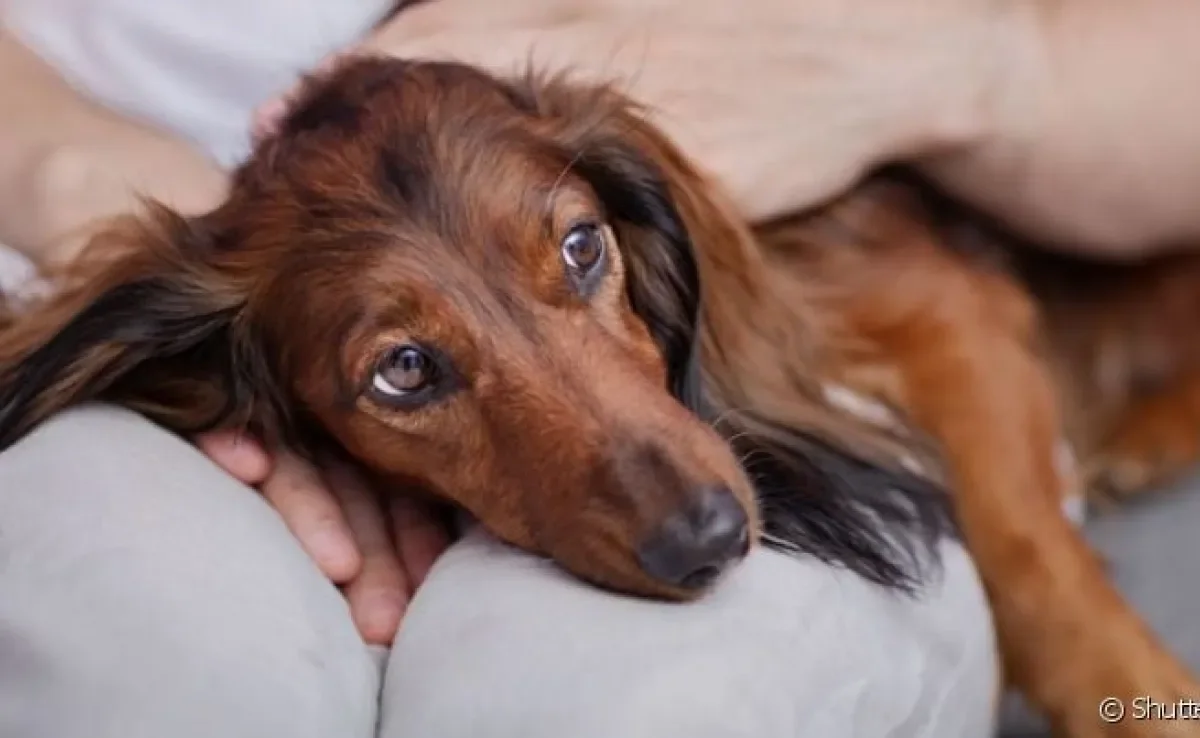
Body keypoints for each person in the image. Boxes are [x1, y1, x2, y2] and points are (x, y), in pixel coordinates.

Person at [0, 1, 1197, 737]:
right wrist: (61, 170)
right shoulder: (194, 319)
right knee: (144, 675)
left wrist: (1074, 637)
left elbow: (941, 308)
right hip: (79, 225)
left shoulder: (634, 177)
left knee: (634, 709)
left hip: (774, 185)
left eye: (579, 255)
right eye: (412, 371)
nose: (653, 484)